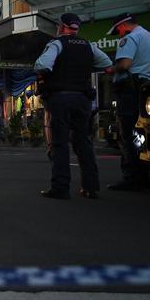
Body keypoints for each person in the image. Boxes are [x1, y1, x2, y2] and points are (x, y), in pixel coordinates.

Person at [34, 13, 112, 199]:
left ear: (61, 26)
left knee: (60, 143)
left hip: (60, 99)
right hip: (83, 100)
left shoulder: (57, 44)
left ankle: (60, 188)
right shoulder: (88, 46)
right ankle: (91, 187)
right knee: (84, 142)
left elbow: (42, 65)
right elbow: (107, 65)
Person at [105, 13, 150, 191]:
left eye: (118, 30)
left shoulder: (129, 38)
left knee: (126, 133)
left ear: (123, 26)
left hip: (129, 90)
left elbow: (125, 64)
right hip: (146, 89)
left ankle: (131, 178)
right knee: (141, 135)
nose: (119, 34)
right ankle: (145, 178)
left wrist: (111, 68)